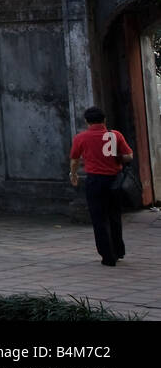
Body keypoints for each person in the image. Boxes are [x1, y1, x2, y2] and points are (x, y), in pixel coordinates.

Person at [70, 105, 133, 266]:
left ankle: (107, 255)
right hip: (114, 180)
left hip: (95, 181)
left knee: (99, 219)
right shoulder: (115, 135)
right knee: (114, 216)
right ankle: (118, 250)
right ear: (104, 120)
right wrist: (116, 158)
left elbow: (75, 159)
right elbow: (128, 156)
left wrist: (74, 174)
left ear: (86, 121)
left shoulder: (81, 138)